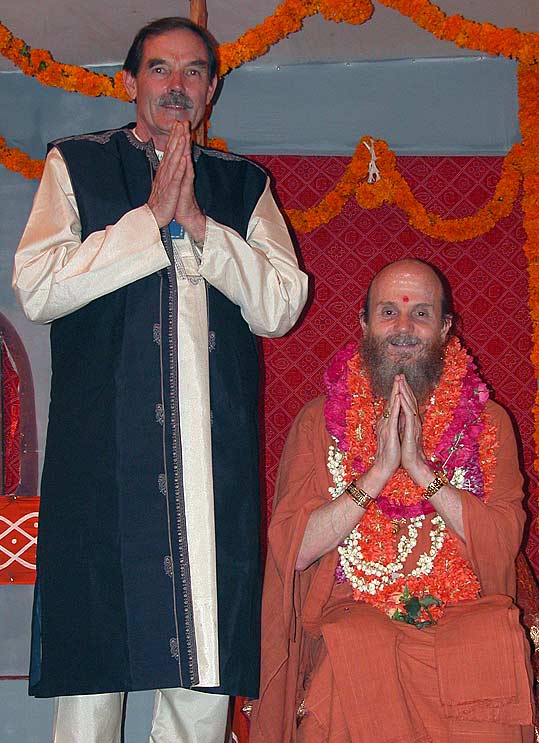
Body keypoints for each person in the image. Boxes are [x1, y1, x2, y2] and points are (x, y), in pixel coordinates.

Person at [13, 16, 307, 743]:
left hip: (209, 470)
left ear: (212, 89)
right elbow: (38, 287)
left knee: (200, 681)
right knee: (92, 673)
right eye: (160, 69)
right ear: (129, 81)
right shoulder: (76, 166)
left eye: (194, 71)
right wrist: (148, 222)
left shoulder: (243, 186)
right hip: (102, 463)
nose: (177, 85)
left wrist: (202, 226)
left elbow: (280, 304)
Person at [250, 259, 534, 743]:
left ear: (445, 327)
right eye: (388, 312)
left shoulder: (487, 423)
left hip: (463, 610)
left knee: (487, 645)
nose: (404, 328)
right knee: (358, 645)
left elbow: (502, 543)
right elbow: (295, 550)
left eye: (421, 313)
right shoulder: (319, 422)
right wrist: (378, 472)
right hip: (355, 611)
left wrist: (421, 469)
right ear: (364, 324)